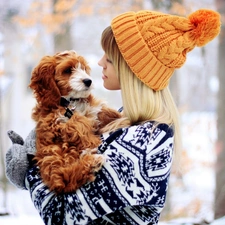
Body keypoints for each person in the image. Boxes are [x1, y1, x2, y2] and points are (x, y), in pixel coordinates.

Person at [5, 9, 220, 225]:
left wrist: (32, 167)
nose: (100, 63)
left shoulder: (145, 144)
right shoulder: (122, 123)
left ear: (133, 67)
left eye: (109, 57)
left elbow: (59, 214)